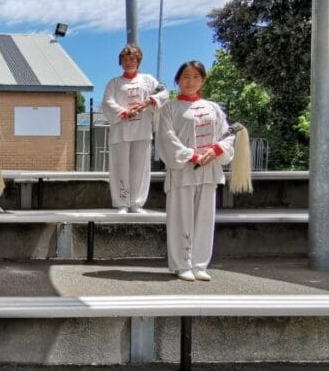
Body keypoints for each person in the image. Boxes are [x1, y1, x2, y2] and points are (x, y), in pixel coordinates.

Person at [157, 60, 235, 282]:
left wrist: (217, 149)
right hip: (183, 171)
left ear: (203, 80)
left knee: (204, 218)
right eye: (185, 77)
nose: (190, 81)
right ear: (178, 80)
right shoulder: (169, 108)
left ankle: (200, 263)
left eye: (195, 77)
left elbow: (227, 134)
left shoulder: (214, 109)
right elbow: (167, 138)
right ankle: (181, 263)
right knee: (181, 217)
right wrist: (191, 155)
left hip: (209, 170)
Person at [101, 44, 168, 213]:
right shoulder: (114, 83)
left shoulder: (148, 80)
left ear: (138, 61)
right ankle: (122, 202)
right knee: (120, 167)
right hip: (121, 131)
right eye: (125, 59)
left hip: (142, 130)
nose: (128, 62)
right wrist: (124, 112)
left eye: (132, 59)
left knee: (140, 167)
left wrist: (149, 101)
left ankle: (137, 203)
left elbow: (164, 93)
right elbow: (107, 103)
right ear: (120, 62)